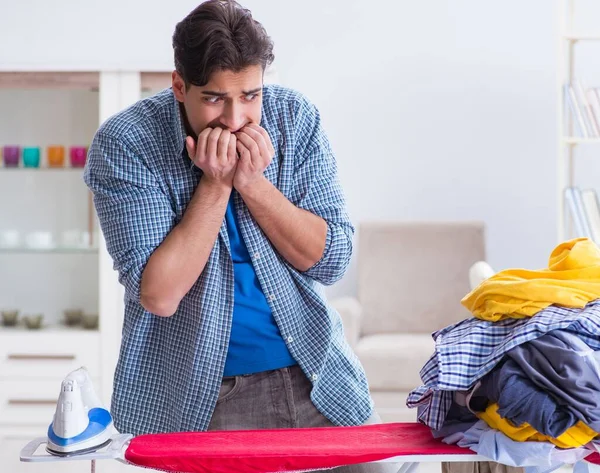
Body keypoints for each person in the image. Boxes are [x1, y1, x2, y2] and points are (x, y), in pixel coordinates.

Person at [84, 1, 390, 471]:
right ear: (179, 86)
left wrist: (252, 183)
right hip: (198, 400)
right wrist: (216, 182)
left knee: (387, 466)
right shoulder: (127, 143)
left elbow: (332, 261)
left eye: (250, 95)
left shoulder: (294, 119)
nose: (234, 118)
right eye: (213, 98)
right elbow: (160, 295)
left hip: (315, 378)